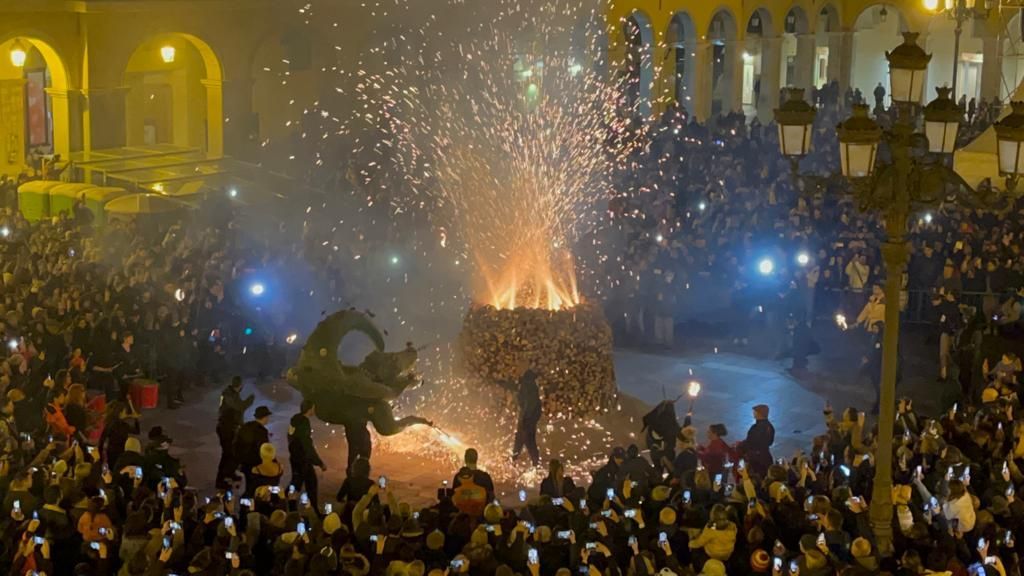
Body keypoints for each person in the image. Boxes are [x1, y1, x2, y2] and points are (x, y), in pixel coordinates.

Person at [215, 376, 253, 489]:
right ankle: (221, 479)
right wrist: (249, 401)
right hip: (226, 428)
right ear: (240, 385)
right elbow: (239, 407)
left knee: (233, 453)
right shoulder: (228, 394)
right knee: (228, 454)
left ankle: (230, 473)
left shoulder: (233, 393)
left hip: (231, 427)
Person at [287, 399, 325, 509]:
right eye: (313, 408)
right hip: (303, 459)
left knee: (306, 482)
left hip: (295, 457)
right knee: (300, 484)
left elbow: (290, 436)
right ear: (310, 409)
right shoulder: (304, 423)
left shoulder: (295, 419)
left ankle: (313, 508)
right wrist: (319, 462)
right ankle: (291, 506)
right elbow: (307, 444)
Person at [234, 405, 271, 494]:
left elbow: (237, 444)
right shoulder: (262, 431)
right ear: (264, 417)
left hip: (244, 462)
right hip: (255, 463)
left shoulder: (246, 426)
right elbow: (263, 449)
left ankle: (247, 503)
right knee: (255, 487)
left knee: (249, 484)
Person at [511, 360, 541, 466]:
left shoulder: (528, 383)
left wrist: (526, 417)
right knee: (520, 438)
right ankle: (514, 458)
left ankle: (535, 462)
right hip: (527, 415)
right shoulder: (526, 381)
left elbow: (530, 401)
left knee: (528, 439)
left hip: (528, 416)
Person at [735, 404, 774, 476]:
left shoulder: (756, 428)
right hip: (766, 457)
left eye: (755, 412)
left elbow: (750, 442)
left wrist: (739, 445)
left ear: (759, 414)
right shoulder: (770, 426)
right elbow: (770, 442)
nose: (753, 413)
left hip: (755, 460)